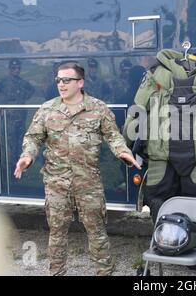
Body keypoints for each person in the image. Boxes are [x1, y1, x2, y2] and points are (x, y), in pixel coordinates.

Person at [14, 62, 140, 276]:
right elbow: (33, 138)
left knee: (97, 232)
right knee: (56, 233)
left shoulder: (98, 108)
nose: (61, 85)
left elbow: (113, 135)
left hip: (88, 182)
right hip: (56, 184)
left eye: (66, 80)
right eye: (58, 80)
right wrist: (27, 156)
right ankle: (56, 272)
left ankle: (104, 272)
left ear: (80, 82)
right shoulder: (47, 109)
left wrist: (122, 151)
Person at [123, 49, 196, 254]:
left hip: (160, 156)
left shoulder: (154, 74)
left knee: (159, 201)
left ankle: (165, 247)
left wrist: (126, 141)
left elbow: (138, 109)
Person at [0, 59, 35, 166]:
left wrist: (23, 99)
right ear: (9, 69)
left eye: (18, 68)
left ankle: (18, 166)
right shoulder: (3, 81)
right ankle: (10, 167)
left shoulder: (23, 82)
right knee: (10, 143)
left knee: (20, 142)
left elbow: (32, 90)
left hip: (21, 117)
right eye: (13, 68)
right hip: (9, 118)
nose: (16, 70)